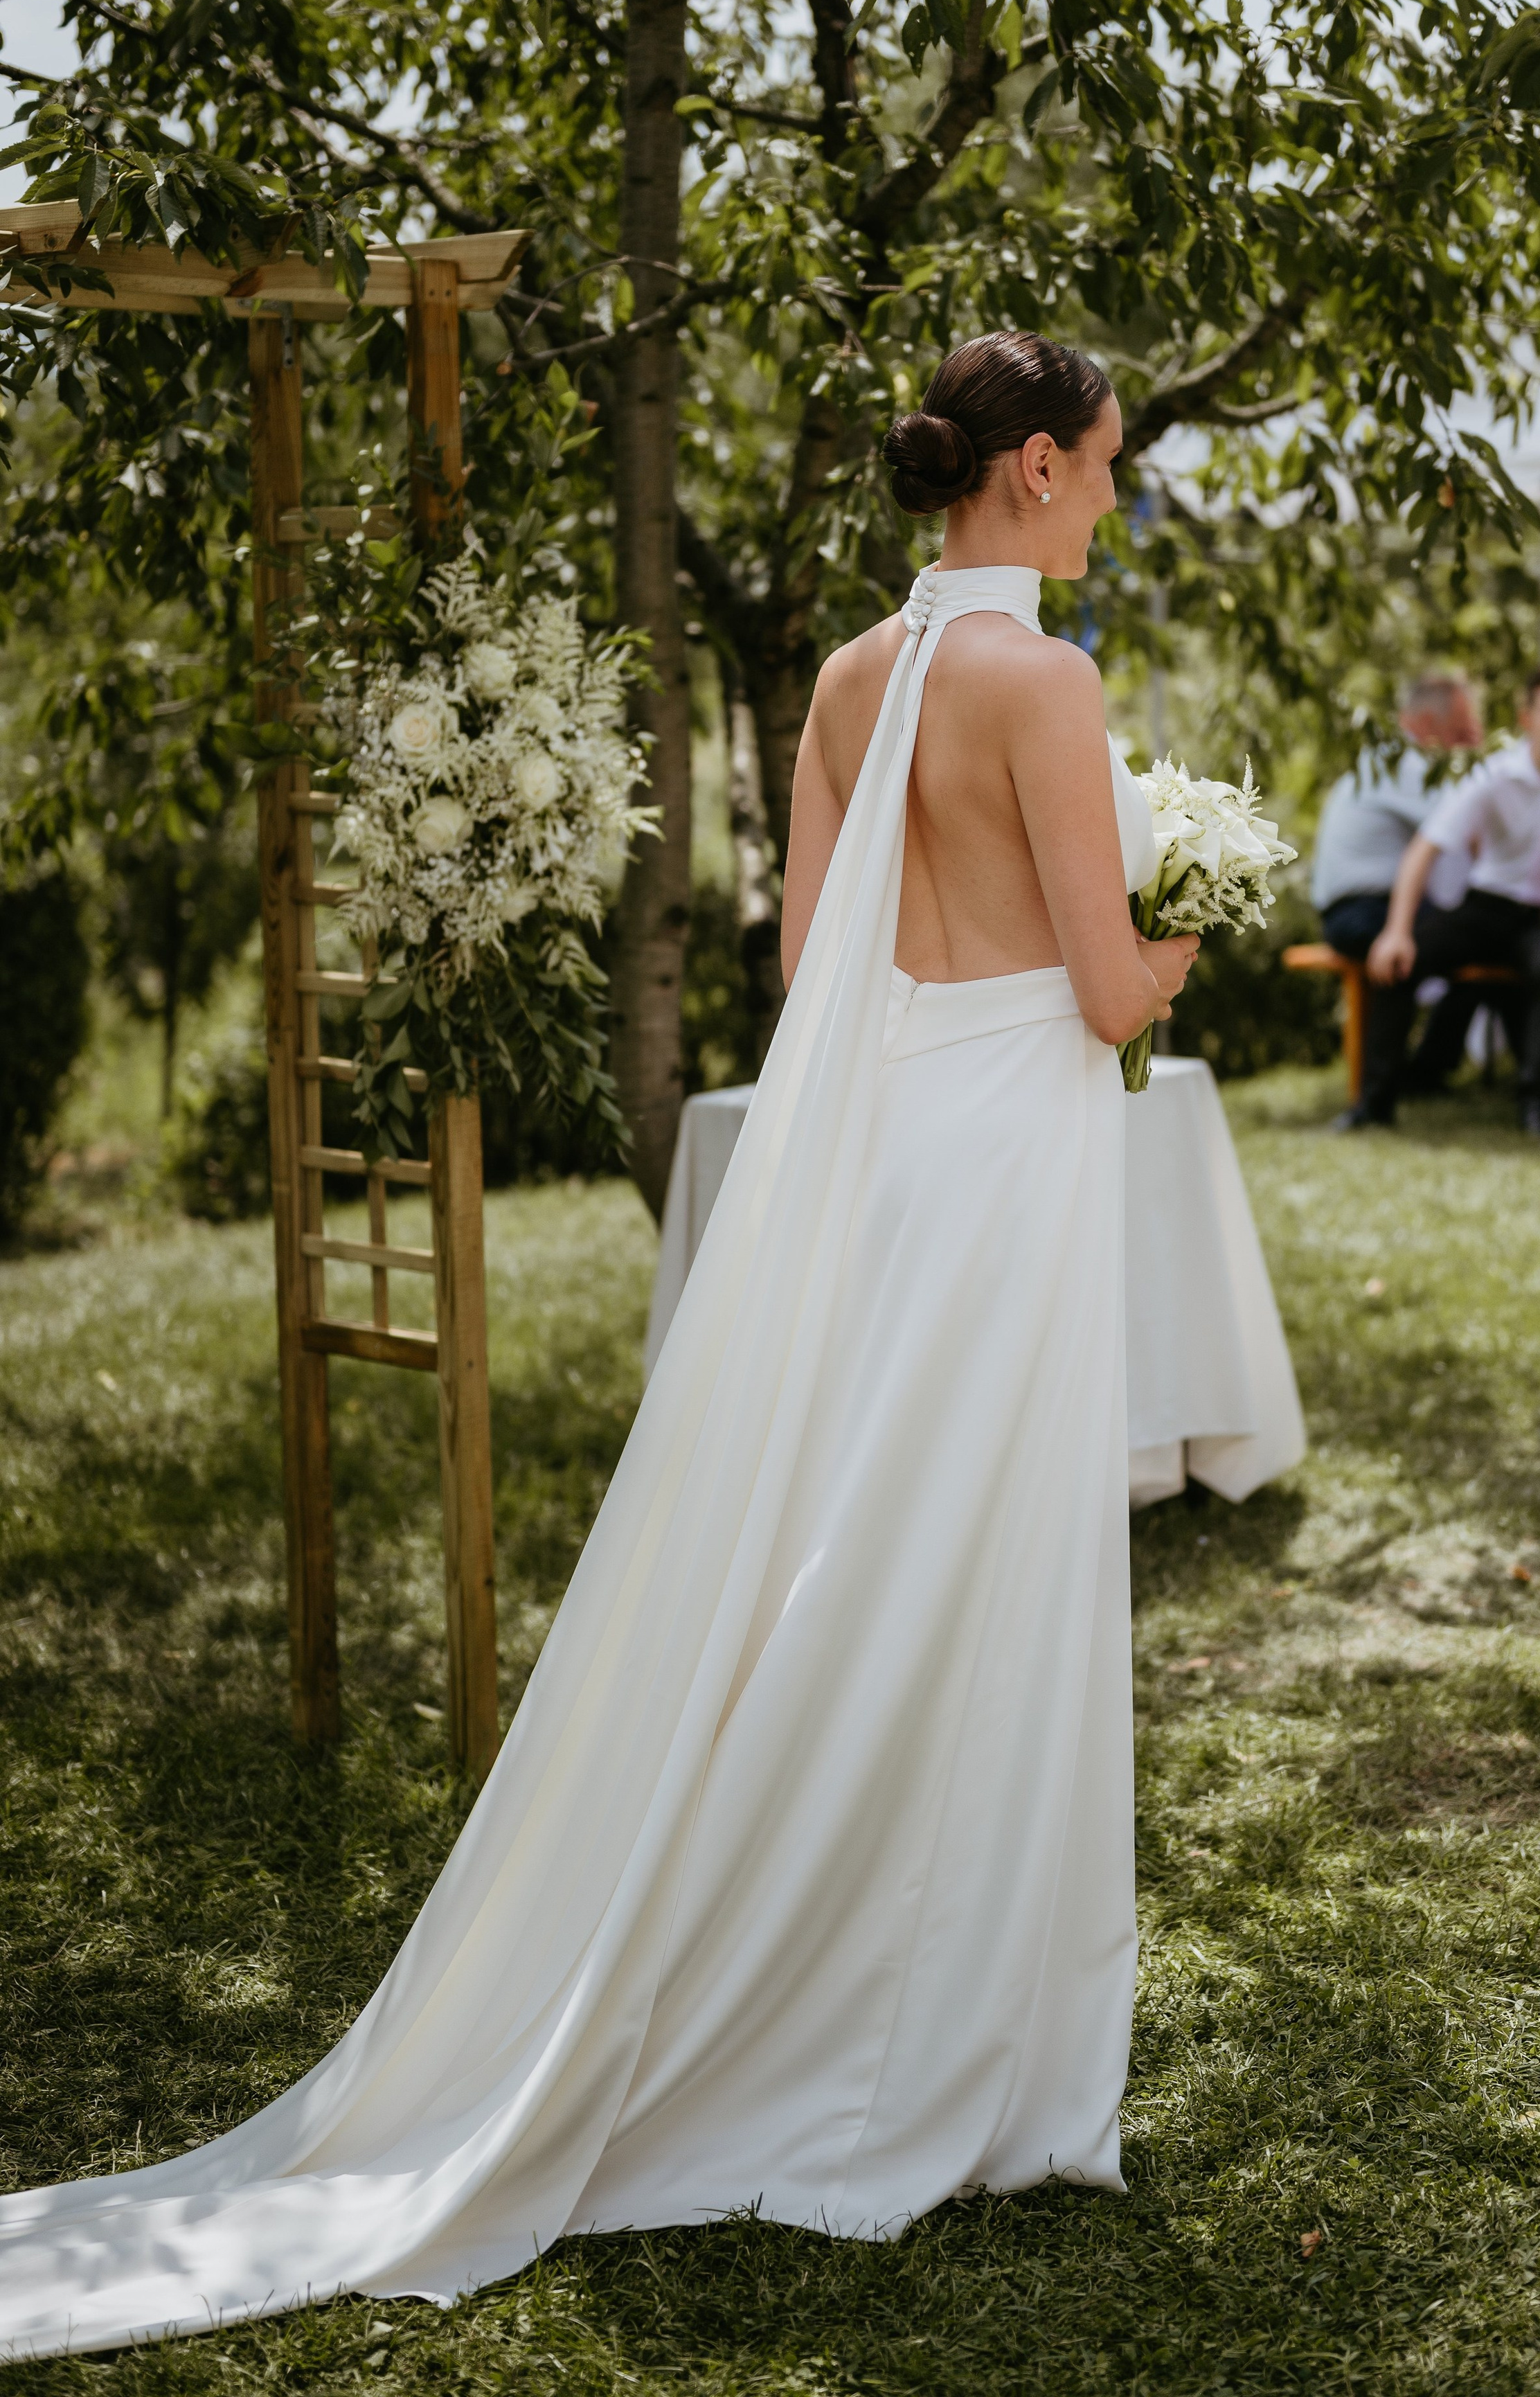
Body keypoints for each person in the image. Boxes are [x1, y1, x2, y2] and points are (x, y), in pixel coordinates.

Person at [0, 334, 1197, 2362]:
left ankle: (836, 1940)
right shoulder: (1047, 683)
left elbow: (821, 962)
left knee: (876, 1540)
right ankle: (933, 2013)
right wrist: (1191, 926)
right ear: (1017, 474)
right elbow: (1098, 991)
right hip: (1010, 1151)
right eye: (1096, 467)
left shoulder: (847, 678)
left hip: (902, 1140)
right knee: (971, 1559)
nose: (1111, 498)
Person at [1365, 666, 1540, 1139]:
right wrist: (1397, 931)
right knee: (1398, 963)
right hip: (1485, 909)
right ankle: (1374, 1103)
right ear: (1527, 718)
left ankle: (1538, 1109)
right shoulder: (1494, 774)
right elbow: (1423, 849)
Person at [1310, 668, 1485, 1126]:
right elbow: (1470, 827)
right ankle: (1383, 1095)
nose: (1468, 734)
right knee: (1410, 956)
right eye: (1463, 724)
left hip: (1358, 906)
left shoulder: (1384, 759)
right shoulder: (1407, 766)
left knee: (1475, 942)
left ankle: (1425, 1071)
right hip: (1362, 910)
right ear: (1430, 722)